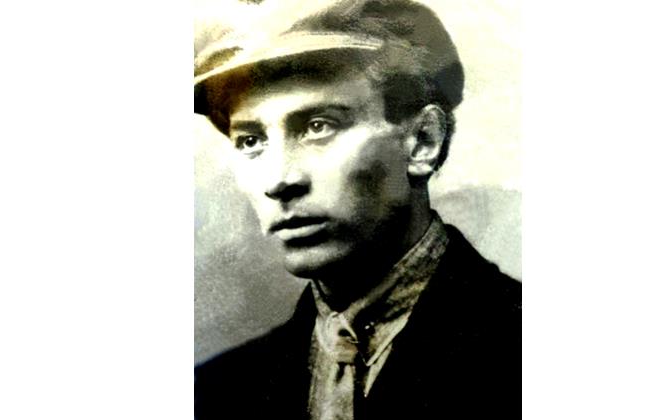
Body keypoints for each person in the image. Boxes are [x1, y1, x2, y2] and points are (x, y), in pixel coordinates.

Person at [193, 0, 521, 418]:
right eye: (251, 141)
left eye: (318, 126)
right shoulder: (218, 392)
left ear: (423, 141)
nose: (278, 182)